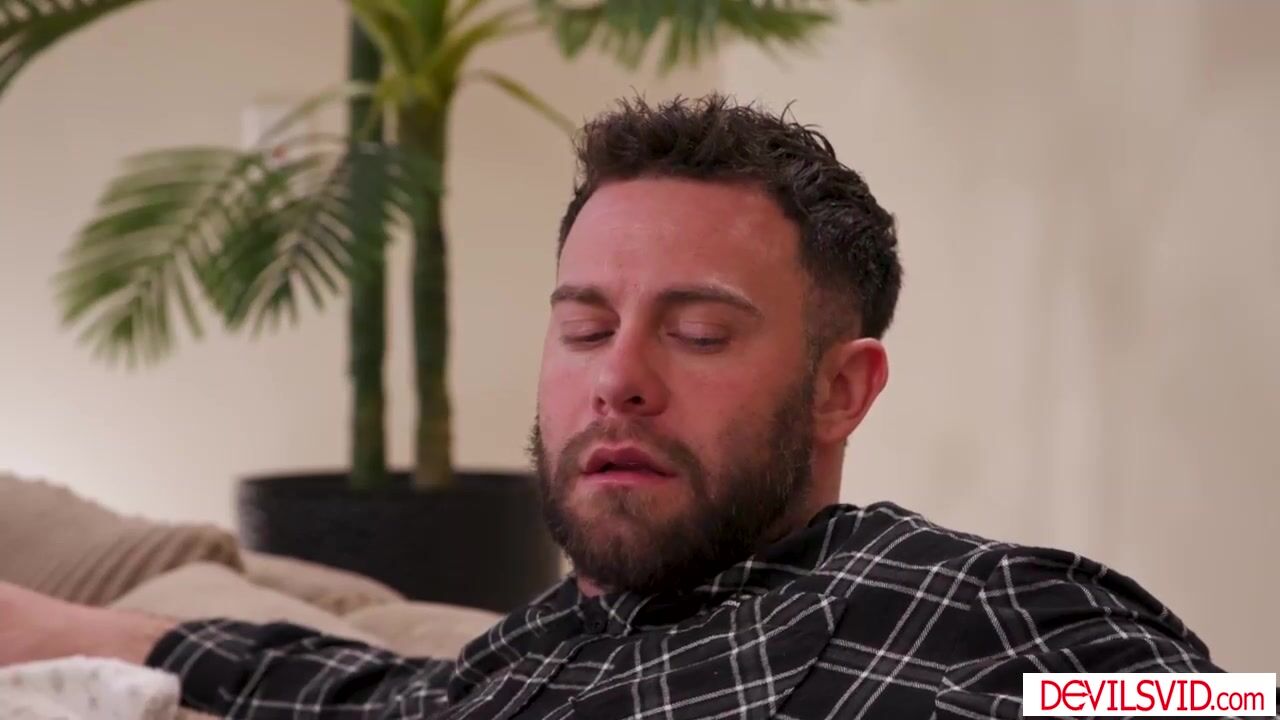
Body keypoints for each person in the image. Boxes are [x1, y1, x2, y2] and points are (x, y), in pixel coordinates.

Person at [0, 94, 1224, 719]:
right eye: (584, 326)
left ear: (838, 390)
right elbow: (360, 693)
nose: (615, 377)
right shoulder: (523, 660)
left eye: (698, 334)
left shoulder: (978, 611)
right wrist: (65, 631)